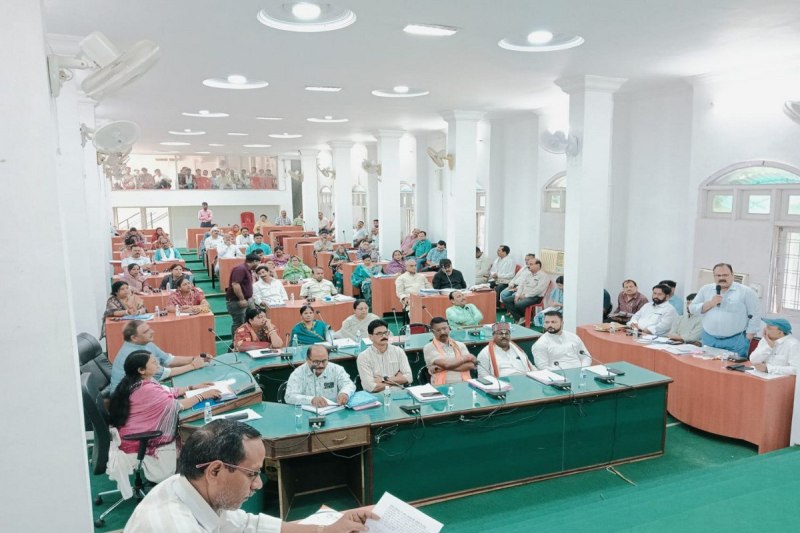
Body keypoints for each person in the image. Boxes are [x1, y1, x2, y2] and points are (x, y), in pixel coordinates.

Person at [126, 420, 379, 533]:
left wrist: (325, 530)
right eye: (252, 474)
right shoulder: (172, 527)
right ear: (215, 470)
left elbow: (249, 526)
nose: (258, 484)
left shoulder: (188, 486)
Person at [108, 352, 221, 483]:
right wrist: (203, 395)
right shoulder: (146, 389)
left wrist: (191, 387)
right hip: (138, 441)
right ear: (141, 370)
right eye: (153, 362)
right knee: (195, 440)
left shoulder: (139, 381)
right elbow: (177, 406)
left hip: (129, 433)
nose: (157, 363)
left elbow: (166, 392)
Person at [110, 320, 206, 391]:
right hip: (127, 401)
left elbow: (169, 360)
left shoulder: (145, 343)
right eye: (146, 331)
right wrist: (193, 366)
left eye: (149, 329)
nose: (152, 332)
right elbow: (165, 373)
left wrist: (195, 358)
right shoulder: (134, 355)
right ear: (134, 338)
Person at [690, 263, 761, 358]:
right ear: (714, 276)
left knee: (731, 366)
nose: (722, 278)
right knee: (707, 365)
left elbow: (755, 314)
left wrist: (748, 337)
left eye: (725, 275)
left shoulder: (746, 292)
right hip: (709, 339)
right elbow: (692, 308)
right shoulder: (706, 289)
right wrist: (711, 303)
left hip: (735, 340)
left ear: (732, 275)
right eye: (718, 275)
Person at [285, 345, 356, 406]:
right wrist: (311, 400)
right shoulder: (298, 373)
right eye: (316, 362)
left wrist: (344, 393)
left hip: (333, 411)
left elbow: (349, 384)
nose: (321, 365)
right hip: (307, 414)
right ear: (307, 360)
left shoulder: (336, 369)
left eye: (324, 361)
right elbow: (289, 396)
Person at [357, 319, 413, 392]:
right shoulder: (363, 357)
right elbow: (370, 387)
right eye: (379, 334)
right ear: (370, 337)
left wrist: (382, 379)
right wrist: (396, 381)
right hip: (377, 395)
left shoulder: (398, 351)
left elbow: (409, 378)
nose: (384, 336)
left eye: (386, 333)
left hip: (398, 393)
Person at [423, 317, 476, 384]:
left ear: (449, 328)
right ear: (433, 332)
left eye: (444, 328)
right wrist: (466, 358)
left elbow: (471, 365)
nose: (442, 332)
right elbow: (447, 365)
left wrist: (443, 368)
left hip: (464, 383)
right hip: (442, 385)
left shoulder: (460, 345)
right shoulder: (429, 347)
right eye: (438, 330)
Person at [225, 254, 260, 340]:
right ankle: (236, 343)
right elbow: (235, 284)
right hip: (237, 301)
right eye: (258, 262)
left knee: (252, 320)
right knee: (239, 324)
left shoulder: (247, 269)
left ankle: (250, 340)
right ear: (254, 261)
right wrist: (242, 299)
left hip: (248, 299)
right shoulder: (240, 269)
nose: (259, 264)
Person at [502, 259, 548, 323]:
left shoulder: (543, 276)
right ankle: (520, 317)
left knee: (518, 304)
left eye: (531, 264)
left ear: (537, 265)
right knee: (506, 300)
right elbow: (521, 286)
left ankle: (524, 317)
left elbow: (539, 290)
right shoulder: (528, 274)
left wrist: (525, 296)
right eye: (528, 264)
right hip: (523, 295)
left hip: (535, 297)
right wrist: (517, 295)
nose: (528, 266)